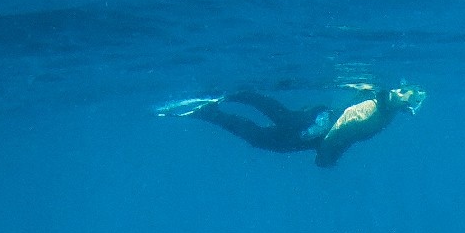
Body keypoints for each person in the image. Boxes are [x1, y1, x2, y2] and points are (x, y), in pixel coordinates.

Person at [156, 83, 425, 165]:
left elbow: (347, 127)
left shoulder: (383, 106)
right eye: (407, 96)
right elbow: (342, 129)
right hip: (315, 132)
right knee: (264, 134)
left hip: (318, 120)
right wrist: (325, 156)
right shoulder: (376, 113)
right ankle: (215, 109)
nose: (408, 102)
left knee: (279, 118)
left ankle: (232, 97)